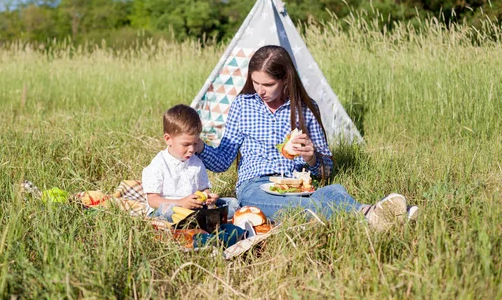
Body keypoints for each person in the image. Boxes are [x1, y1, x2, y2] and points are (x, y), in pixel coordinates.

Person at [195, 45, 418, 231]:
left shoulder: (305, 108)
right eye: (256, 83)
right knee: (266, 203)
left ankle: (375, 215)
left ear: (285, 80)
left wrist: (312, 158)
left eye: (268, 84)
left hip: (297, 185)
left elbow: (326, 169)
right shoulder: (243, 105)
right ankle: (373, 214)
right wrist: (200, 146)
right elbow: (223, 161)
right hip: (255, 185)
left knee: (332, 190)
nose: (260, 90)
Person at [141, 104, 240, 222]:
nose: (192, 149)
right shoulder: (159, 164)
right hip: (171, 208)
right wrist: (180, 203)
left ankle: (199, 219)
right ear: (168, 139)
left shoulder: (196, 162)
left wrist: (207, 198)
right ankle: (198, 220)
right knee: (168, 212)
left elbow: (204, 189)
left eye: (195, 143)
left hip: (194, 207)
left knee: (233, 203)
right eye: (186, 144)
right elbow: (153, 200)